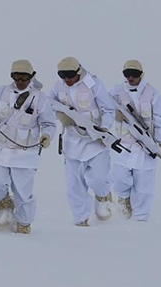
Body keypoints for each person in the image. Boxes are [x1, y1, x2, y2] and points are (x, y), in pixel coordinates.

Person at [0, 59, 56, 234]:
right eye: (16, 76)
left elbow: (49, 124)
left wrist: (46, 136)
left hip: (25, 154)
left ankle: (23, 224)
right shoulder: (0, 92)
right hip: (0, 150)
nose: (20, 81)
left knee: (23, 193)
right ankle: (4, 201)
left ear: (31, 76)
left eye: (24, 77)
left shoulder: (40, 98)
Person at [49, 56, 115, 227]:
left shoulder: (93, 84)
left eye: (70, 75)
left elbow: (108, 109)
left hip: (96, 141)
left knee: (98, 179)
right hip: (72, 142)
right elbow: (49, 104)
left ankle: (103, 197)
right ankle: (81, 219)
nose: (67, 79)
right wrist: (61, 116)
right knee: (74, 186)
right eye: (63, 75)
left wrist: (104, 129)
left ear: (78, 72)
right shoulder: (58, 86)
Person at [109, 60, 161, 221]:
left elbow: (160, 119)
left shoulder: (153, 94)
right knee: (119, 178)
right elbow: (104, 109)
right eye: (127, 74)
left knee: (144, 188)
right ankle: (123, 198)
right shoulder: (116, 92)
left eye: (134, 74)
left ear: (141, 75)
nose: (130, 78)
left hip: (146, 147)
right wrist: (114, 114)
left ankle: (141, 219)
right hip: (123, 145)